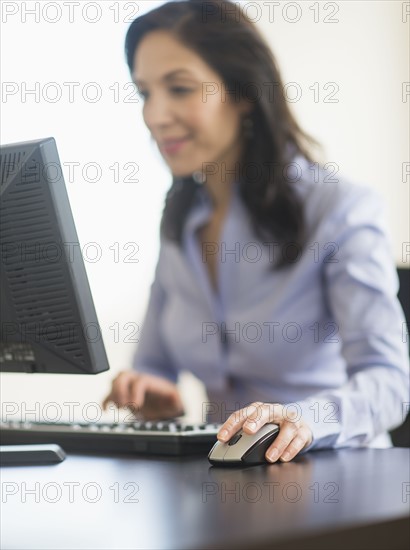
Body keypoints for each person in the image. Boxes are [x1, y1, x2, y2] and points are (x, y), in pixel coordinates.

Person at [102, 0, 409, 463]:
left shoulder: (340, 208)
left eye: (180, 88)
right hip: (226, 487)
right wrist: (153, 393)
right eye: (145, 93)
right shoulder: (180, 223)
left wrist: (304, 419)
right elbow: (153, 366)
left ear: (242, 91)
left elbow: (389, 382)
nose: (155, 115)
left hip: (338, 480)